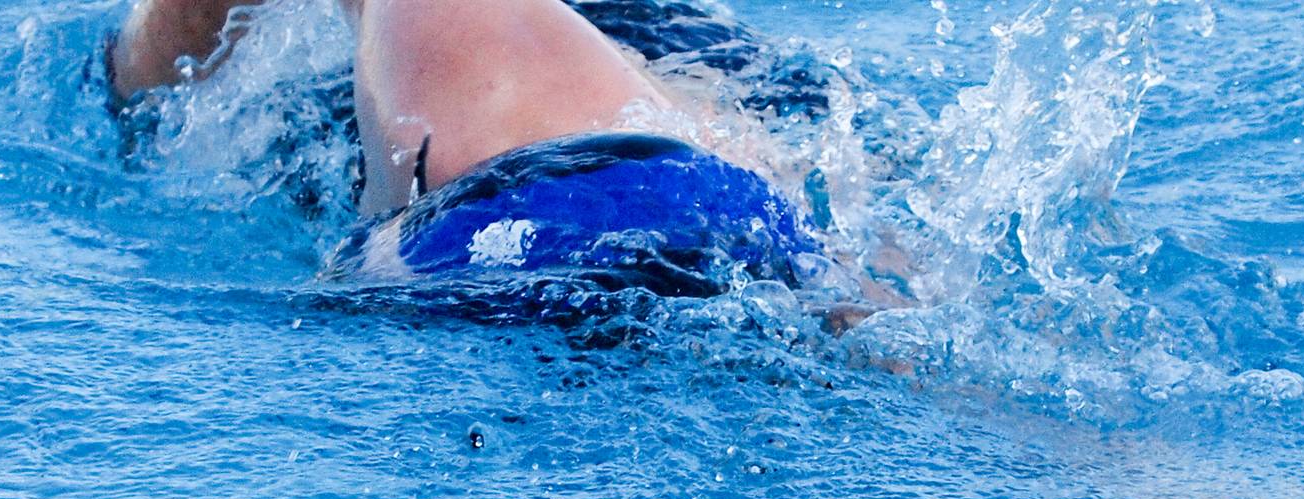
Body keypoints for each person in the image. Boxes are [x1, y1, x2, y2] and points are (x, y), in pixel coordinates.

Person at [111, 0, 825, 296]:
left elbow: (149, 94)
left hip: (490, 230)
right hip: (713, 197)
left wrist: (135, 108)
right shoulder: (691, 35)